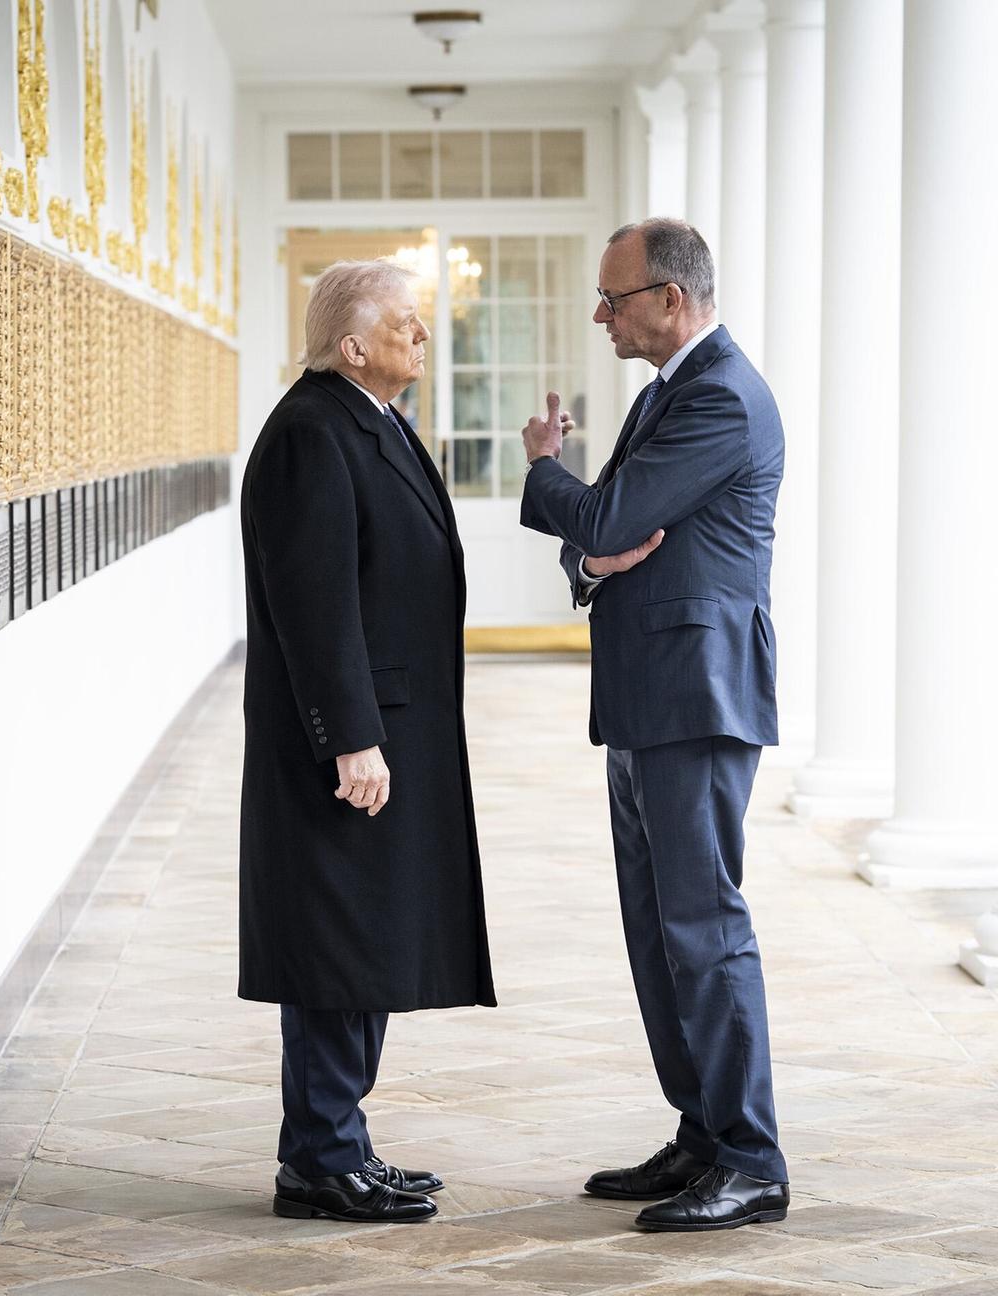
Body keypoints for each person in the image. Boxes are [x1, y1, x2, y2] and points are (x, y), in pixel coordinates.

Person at [520, 217, 790, 1232]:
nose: (602, 315)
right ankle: (702, 1133)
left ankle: (752, 1158)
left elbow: (602, 516)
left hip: (697, 696)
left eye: (615, 298)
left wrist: (546, 467)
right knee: (658, 933)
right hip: (649, 697)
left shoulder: (719, 395)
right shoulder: (669, 392)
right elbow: (602, 543)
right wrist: (590, 557)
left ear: (672, 298)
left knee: (704, 930)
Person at [239, 259, 495, 1226]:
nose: (423, 335)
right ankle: (318, 1160)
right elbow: (316, 607)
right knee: (336, 948)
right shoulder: (313, 431)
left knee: (366, 942)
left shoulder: (369, 420)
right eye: (406, 323)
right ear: (353, 345)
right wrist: (351, 739)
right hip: (350, 747)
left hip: (391, 730)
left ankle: (339, 1144)